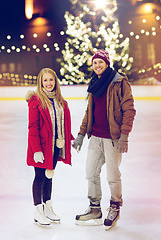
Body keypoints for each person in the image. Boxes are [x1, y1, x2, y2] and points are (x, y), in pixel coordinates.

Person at [72, 50, 136, 230]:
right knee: (90, 173)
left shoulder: (119, 82)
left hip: (113, 138)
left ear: (107, 63)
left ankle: (115, 207)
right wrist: (81, 134)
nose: (97, 66)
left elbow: (129, 110)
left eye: (100, 62)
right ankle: (95, 209)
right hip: (96, 138)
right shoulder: (94, 83)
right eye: (95, 63)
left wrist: (124, 136)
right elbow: (89, 112)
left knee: (112, 176)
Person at [26, 68, 74, 227]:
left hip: (54, 146)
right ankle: (37, 210)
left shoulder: (60, 101)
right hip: (41, 148)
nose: (48, 83)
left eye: (51, 80)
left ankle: (48, 207)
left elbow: (63, 124)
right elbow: (33, 127)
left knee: (49, 176)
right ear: (40, 82)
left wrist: (69, 139)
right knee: (39, 177)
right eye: (45, 80)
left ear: (55, 82)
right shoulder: (36, 101)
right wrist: (37, 150)